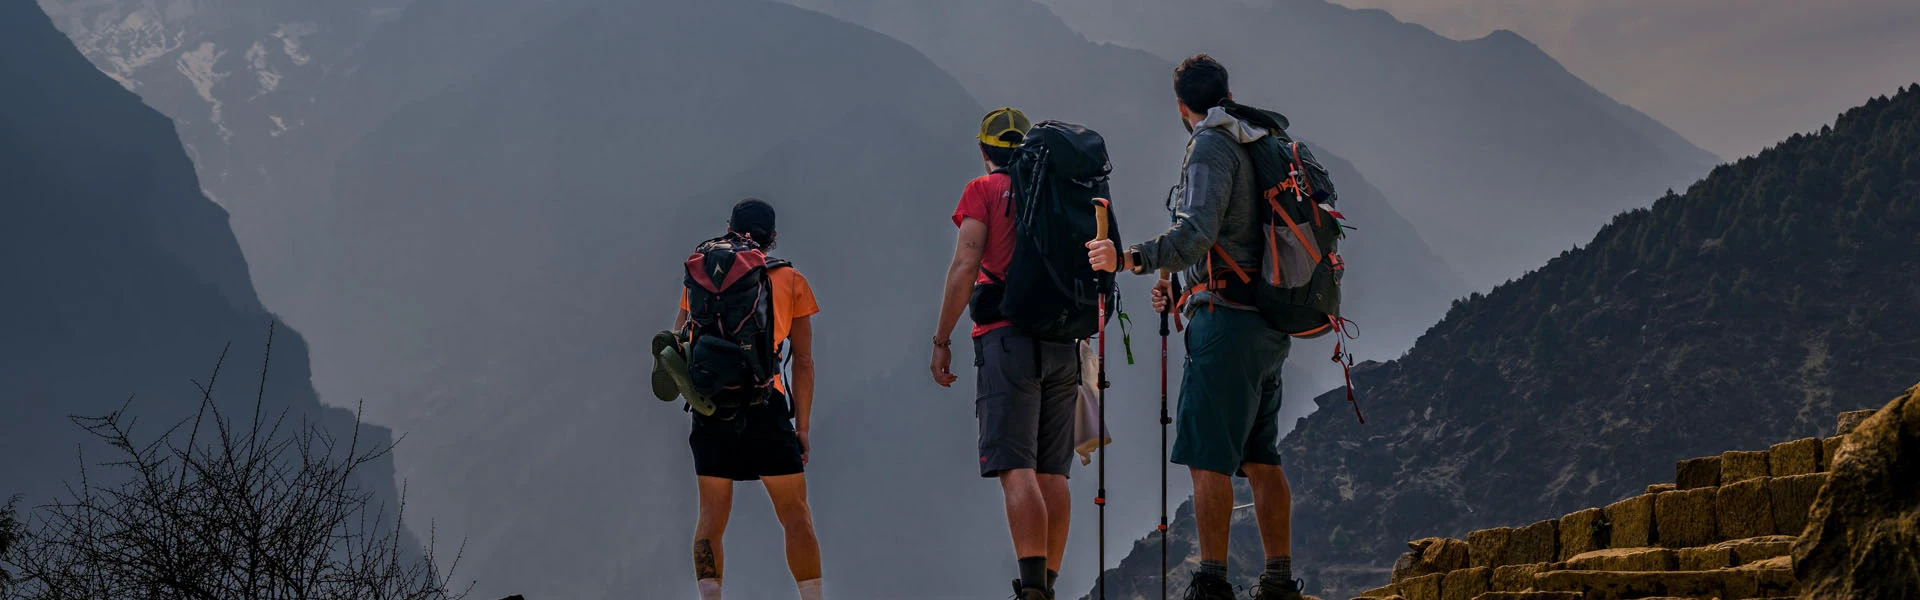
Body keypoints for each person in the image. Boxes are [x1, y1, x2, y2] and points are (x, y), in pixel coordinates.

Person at [1087, 55, 1306, 600]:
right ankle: (1278, 580)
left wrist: (1130, 258)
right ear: (1226, 92)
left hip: (1225, 326)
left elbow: (1197, 233)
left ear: (1182, 106)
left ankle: (1212, 581)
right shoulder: (1260, 138)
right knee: (1261, 455)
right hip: (1268, 319)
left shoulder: (1211, 144)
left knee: (1208, 453)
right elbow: (1234, 236)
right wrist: (1181, 287)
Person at [929, 107, 1075, 600]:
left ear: (984, 148)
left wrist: (942, 339)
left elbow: (965, 265)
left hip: (1006, 339)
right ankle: (1048, 586)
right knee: (1054, 471)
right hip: (1064, 341)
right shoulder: (1058, 188)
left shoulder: (983, 191)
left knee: (1017, 467)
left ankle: (1031, 589)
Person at [675, 199, 824, 600]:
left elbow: (679, 342)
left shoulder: (702, 279)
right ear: (772, 237)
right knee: (795, 515)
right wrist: (802, 428)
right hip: (765, 404)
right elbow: (804, 362)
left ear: (729, 229)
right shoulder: (791, 279)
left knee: (711, 514)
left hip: (712, 406)